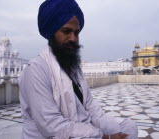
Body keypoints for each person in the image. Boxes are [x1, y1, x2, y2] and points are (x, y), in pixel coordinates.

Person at [19, 0, 138, 139]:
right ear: (52, 33)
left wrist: (115, 132)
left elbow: (94, 111)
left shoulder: (74, 70)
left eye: (76, 33)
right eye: (66, 31)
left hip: (84, 130)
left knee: (129, 127)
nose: (73, 38)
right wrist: (105, 137)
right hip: (54, 135)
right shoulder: (36, 69)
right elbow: (52, 126)